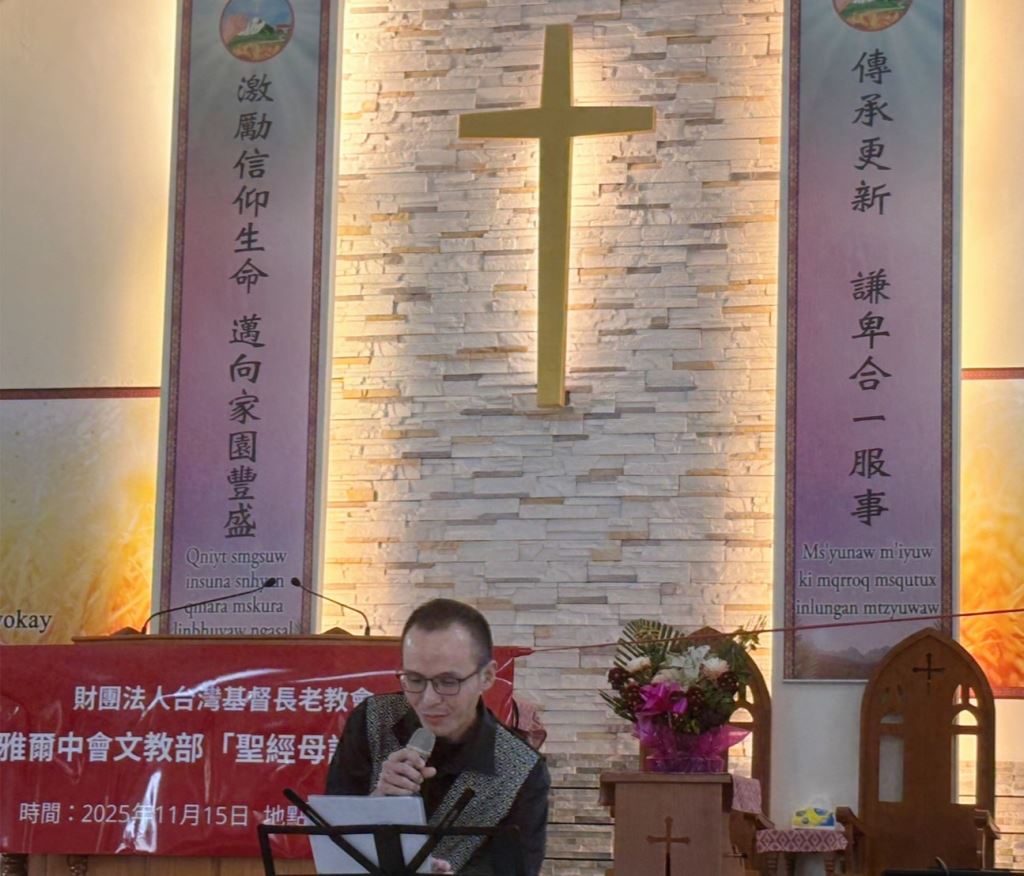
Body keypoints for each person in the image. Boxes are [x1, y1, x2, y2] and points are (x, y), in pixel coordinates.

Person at [325, 599, 550, 875]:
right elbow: (332, 836)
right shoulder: (373, 719)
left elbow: (514, 868)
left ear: (487, 676)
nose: (429, 700)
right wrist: (378, 800)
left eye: (448, 682)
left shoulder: (521, 770)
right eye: (415, 680)